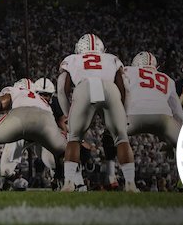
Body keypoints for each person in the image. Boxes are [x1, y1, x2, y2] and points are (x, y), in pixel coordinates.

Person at [57, 34, 138, 192]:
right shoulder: (111, 58)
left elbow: (61, 89)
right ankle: (130, 184)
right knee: (121, 138)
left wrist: (68, 115)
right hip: (109, 88)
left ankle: (68, 183)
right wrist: (125, 113)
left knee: (74, 137)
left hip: (84, 87)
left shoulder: (72, 59)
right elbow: (126, 88)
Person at [0, 79, 66, 191]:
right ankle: (63, 180)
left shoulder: (15, 91)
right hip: (44, 124)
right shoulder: (42, 100)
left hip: (20, 123)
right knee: (63, 151)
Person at [123, 52, 183, 147]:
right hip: (163, 119)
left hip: (134, 116)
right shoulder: (167, 79)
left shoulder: (127, 70)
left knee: (110, 135)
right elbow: (177, 112)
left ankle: (111, 161)